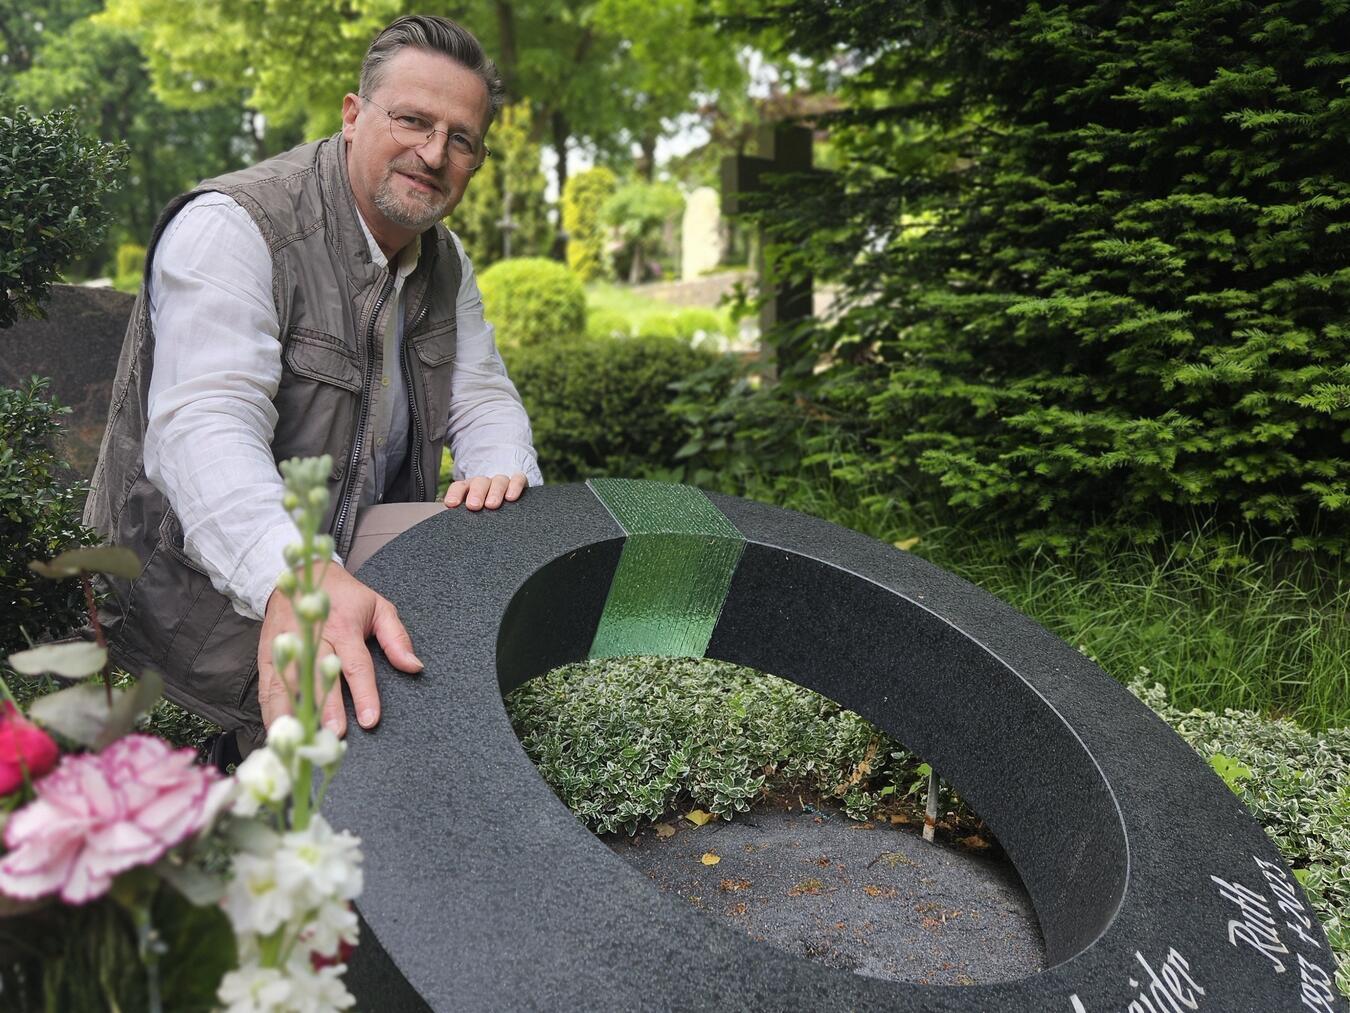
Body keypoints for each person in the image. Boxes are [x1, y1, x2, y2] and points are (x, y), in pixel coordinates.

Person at [84, 15, 541, 761]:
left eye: (462, 139)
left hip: (356, 623)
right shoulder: (235, 227)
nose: (434, 153)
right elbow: (203, 428)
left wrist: (500, 473)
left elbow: (483, 395)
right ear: (354, 114)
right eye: (413, 121)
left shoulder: (444, 262)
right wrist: (299, 577)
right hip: (177, 666)